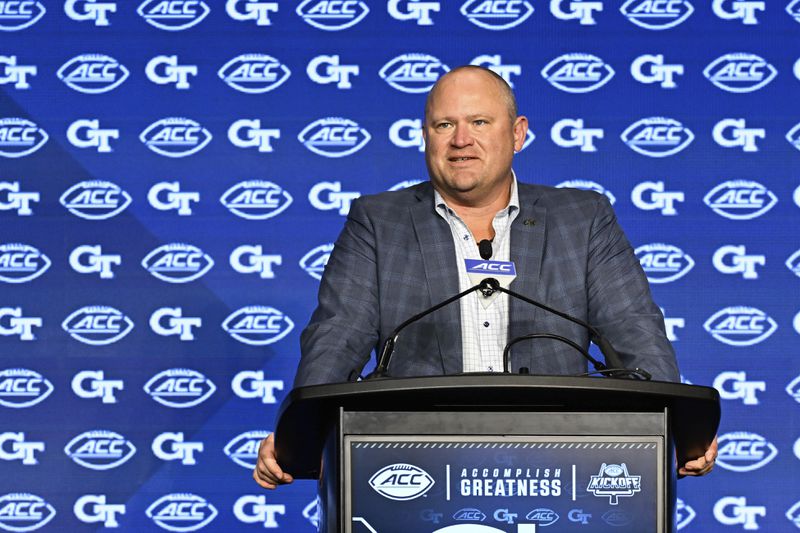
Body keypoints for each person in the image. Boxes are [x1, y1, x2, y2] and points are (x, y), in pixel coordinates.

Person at [253, 66, 717, 490]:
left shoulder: (583, 217)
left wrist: (677, 430)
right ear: (426, 137)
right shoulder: (378, 222)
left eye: (479, 123)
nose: (461, 140)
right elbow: (338, 334)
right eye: (444, 125)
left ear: (517, 135)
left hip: (561, 465)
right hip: (417, 466)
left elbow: (633, 329)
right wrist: (300, 437)